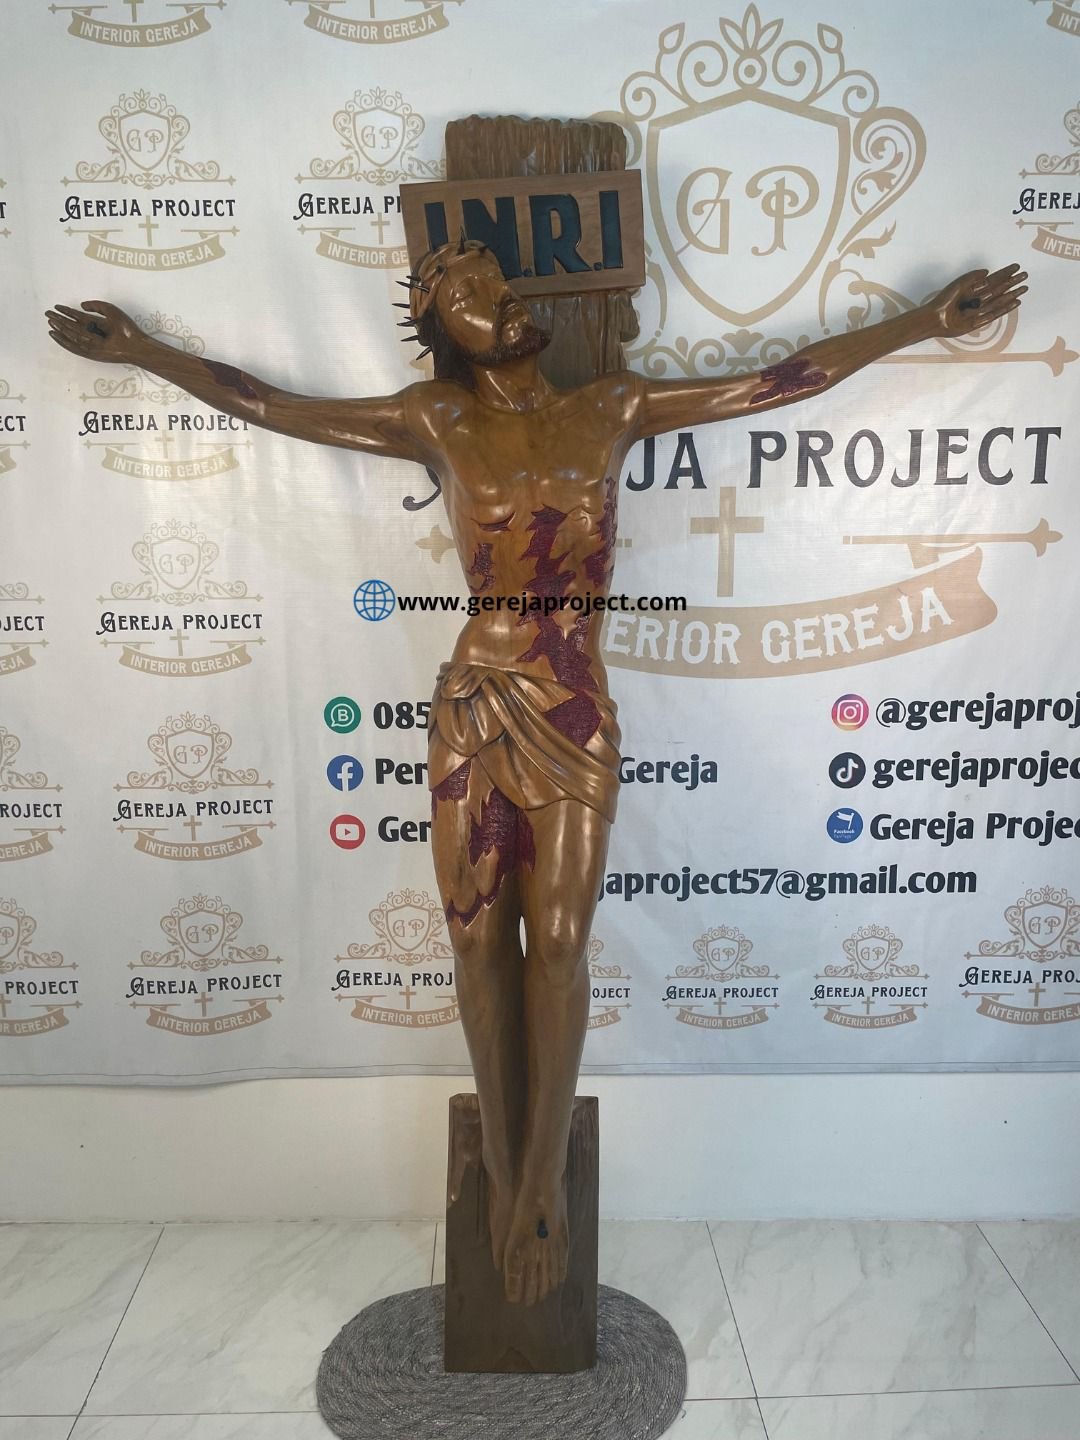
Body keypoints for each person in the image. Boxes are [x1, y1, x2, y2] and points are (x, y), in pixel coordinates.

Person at [47, 244, 1025, 1305]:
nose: (500, 302)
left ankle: (542, 1180)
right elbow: (275, 406)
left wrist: (925, 321)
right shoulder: (436, 419)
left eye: (500, 285)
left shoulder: (613, 406)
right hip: (475, 702)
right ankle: (507, 1170)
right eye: (469, 297)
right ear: (443, 331)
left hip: (572, 705)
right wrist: (142, 352)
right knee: (477, 940)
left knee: (557, 940)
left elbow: (776, 382)